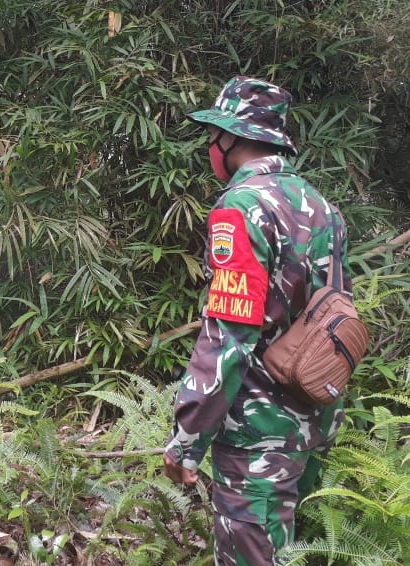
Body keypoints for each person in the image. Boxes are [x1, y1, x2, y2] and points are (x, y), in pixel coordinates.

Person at [163, 76, 349, 565]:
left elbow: (229, 333)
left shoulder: (241, 208)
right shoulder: (322, 207)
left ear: (232, 139)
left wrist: (187, 438)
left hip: (258, 428)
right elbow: (335, 312)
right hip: (315, 414)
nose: (209, 146)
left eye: (212, 136)